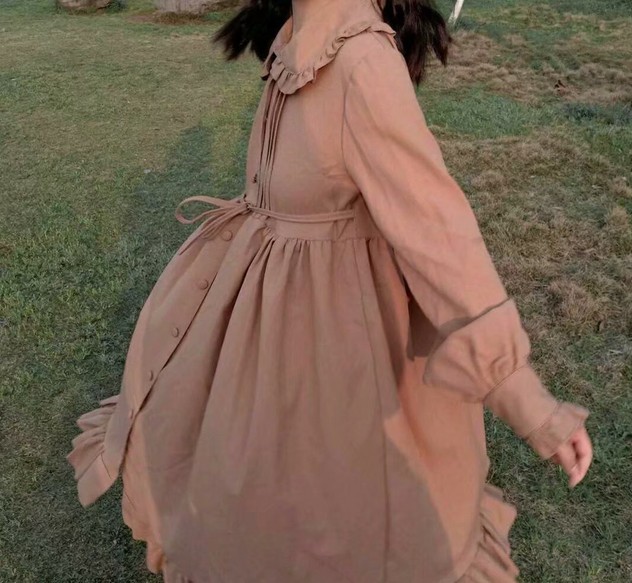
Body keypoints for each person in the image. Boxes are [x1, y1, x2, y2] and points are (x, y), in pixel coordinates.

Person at [67, 0, 593, 581]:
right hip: (268, 314)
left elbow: (440, 238)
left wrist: (526, 399)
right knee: (244, 475)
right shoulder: (298, 41)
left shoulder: (362, 63)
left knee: (333, 514)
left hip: (336, 335)